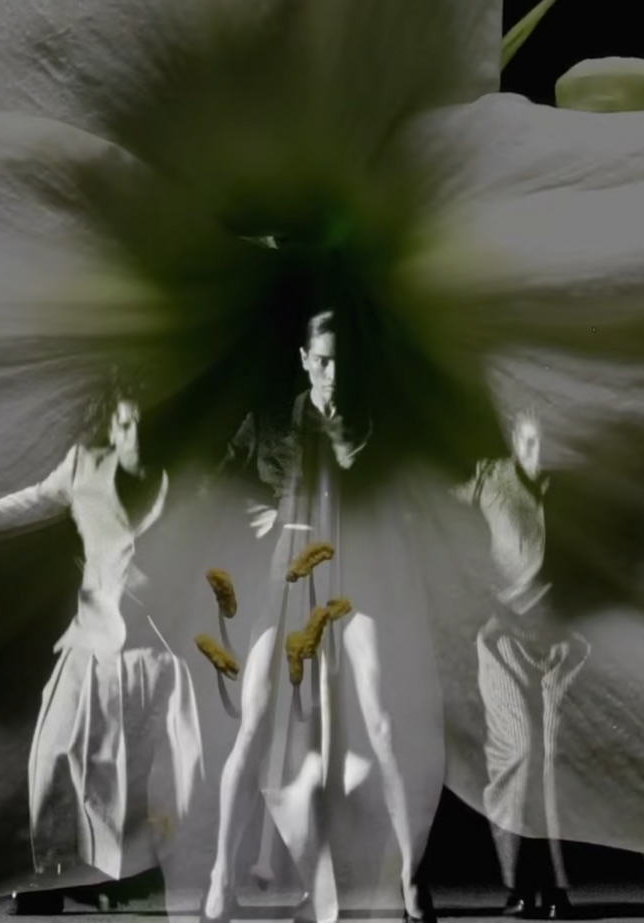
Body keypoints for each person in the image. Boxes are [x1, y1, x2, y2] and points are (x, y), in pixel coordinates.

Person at [0, 394, 204, 915]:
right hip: (90, 639)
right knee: (51, 754)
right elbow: (17, 506)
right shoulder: (83, 467)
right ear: (112, 427)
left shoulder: (190, 476)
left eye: (143, 421)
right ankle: (47, 878)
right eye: (124, 421)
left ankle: (130, 881)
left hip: (155, 651)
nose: (133, 432)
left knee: (131, 773)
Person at [203, 311, 436, 923]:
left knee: (381, 723)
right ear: (305, 360)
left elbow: (400, 498)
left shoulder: (368, 426)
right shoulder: (272, 422)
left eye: (340, 361)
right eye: (322, 360)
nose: (332, 372)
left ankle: (412, 879)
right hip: (287, 579)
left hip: (349, 580)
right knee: (252, 725)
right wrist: (255, 514)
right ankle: (219, 880)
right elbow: (217, 485)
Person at [452, 411, 589, 921]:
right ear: (514, 438)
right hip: (504, 638)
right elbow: (435, 512)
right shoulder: (488, 477)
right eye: (531, 441)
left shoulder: (571, 489)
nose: (539, 452)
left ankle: (556, 888)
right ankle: (516, 886)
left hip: (563, 645)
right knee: (516, 755)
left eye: (547, 442)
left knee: (553, 760)